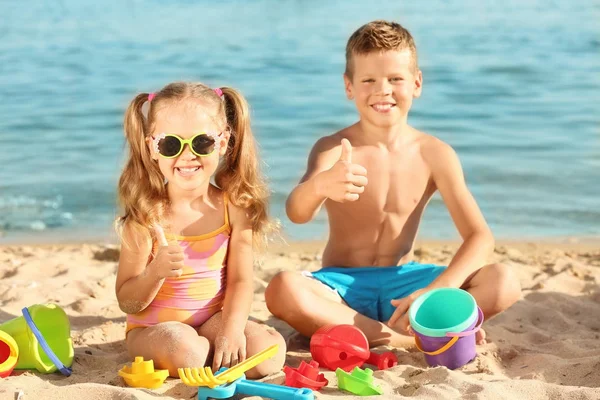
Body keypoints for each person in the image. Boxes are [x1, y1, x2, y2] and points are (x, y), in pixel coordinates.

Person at [265, 20, 521, 348]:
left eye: (395, 79)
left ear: (416, 83)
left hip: (406, 284)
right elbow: (297, 213)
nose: (382, 90)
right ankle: (410, 338)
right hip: (342, 286)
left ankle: (379, 328)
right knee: (282, 289)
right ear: (349, 87)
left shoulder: (434, 153)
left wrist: (438, 290)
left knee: (504, 280)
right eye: (368, 79)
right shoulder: (334, 147)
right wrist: (320, 187)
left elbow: (480, 237)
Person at [115, 82, 286, 377]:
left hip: (211, 321)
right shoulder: (146, 217)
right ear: (152, 148)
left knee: (269, 351)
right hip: (154, 330)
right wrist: (155, 272)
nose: (187, 155)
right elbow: (127, 301)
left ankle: (213, 353)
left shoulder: (233, 207)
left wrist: (230, 332)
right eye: (170, 144)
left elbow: (241, 281)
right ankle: (207, 357)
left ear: (222, 142)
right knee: (188, 352)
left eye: (201, 142)